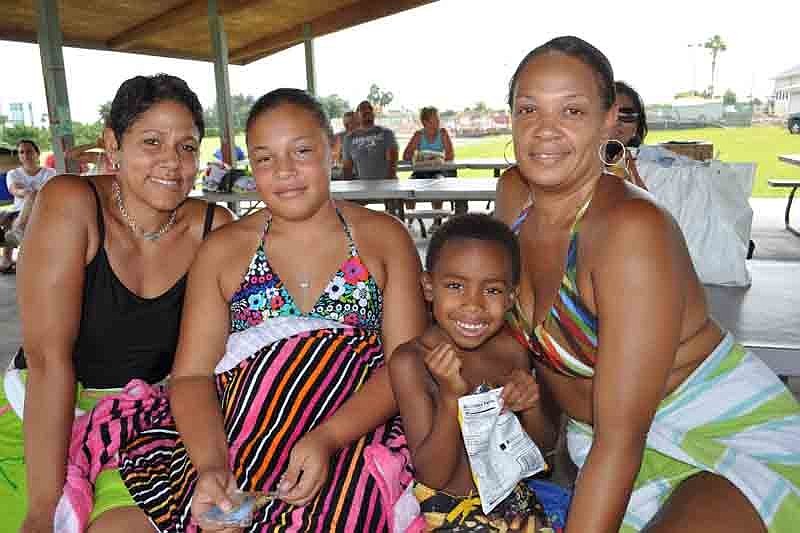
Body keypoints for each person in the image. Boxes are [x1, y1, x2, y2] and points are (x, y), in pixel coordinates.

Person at [496, 35, 800, 533]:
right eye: (528, 109)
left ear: (608, 119)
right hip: (598, 448)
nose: (544, 130)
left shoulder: (631, 230)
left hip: (721, 440)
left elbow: (622, 439)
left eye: (571, 111)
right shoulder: (513, 198)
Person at [115, 88, 427, 531]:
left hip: (354, 432)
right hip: (239, 433)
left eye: (301, 151)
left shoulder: (383, 239)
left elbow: (406, 365)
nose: (284, 172)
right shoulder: (225, 250)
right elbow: (191, 375)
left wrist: (327, 438)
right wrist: (211, 465)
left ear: (332, 150)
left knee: (343, 509)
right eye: (264, 159)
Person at [0, 73, 233, 533]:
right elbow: (49, 361)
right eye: (152, 141)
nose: (173, 162)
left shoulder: (214, 227)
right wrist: (43, 510)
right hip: (42, 412)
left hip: (146, 423)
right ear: (113, 143)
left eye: (187, 147)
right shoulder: (72, 203)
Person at [389, 214, 556, 532]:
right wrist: (451, 397)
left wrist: (531, 404)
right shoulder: (411, 362)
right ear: (428, 287)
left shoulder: (512, 350)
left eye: (491, 290)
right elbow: (433, 476)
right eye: (455, 286)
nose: (473, 305)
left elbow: (541, 449)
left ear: (511, 296)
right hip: (449, 514)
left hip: (517, 505)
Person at [0, 139, 56, 274]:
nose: (25, 155)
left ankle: (17, 232)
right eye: (21, 152)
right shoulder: (13, 174)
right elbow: (15, 190)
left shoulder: (50, 173)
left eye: (29, 151)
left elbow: (50, 193)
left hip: (43, 211)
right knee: (31, 197)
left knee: (33, 199)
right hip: (18, 213)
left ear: (37, 154)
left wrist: (30, 193)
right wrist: (28, 193)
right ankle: (17, 233)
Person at [402, 106, 456, 213]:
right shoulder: (418, 135)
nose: (438, 122)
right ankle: (410, 222)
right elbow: (406, 156)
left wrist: (435, 156)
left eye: (438, 119)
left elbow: (450, 155)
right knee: (408, 192)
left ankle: (436, 222)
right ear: (425, 122)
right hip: (421, 172)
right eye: (435, 119)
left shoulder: (443, 133)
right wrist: (420, 156)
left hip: (439, 170)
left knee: (437, 188)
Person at [606, 81, 648, 189]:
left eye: (626, 115)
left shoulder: (658, 170)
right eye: (607, 114)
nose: (616, 122)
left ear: (637, 125)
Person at [342, 100, 398, 180]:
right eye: (363, 109)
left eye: (370, 109)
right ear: (357, 116)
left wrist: (387, 185)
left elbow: (392, 163)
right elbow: (347, 168)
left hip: (385, 185)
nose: (367, 110)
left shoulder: (386, 133)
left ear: (373, 114)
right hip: (361, 186)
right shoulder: (349, 138)